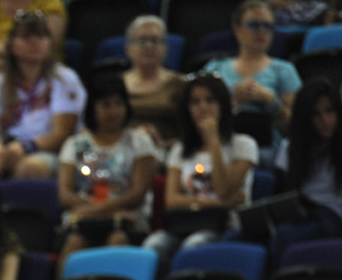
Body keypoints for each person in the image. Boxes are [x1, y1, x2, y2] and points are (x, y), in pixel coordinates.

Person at [144, 72, 259, 262]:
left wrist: (213, 142)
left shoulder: (243, 145)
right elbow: (171, 201)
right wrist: (222, 204)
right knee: (153, 245)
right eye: (195, 102)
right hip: (185, 223)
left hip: (223, 226)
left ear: (223, 105)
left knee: (194, 245)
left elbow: (222, 189)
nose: (203, 107)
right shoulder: (181, 149)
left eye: (210, 100)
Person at [56, 75, 159, 266]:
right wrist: (98, 212)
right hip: (84, 218)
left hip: (127, 217)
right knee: (74, 243)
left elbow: (138, 194)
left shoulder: (139, 142)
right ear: (92, 108)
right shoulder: (74, 145)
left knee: (116, 240)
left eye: (118, 104)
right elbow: (65, 194)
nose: (113, 111)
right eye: (105, 105)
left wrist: (96, 211)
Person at [0, 11, 85, 179]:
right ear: (11, 45)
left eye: (41, 37)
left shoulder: (64, 79)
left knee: (28, 168)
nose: (35, 42)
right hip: (9, 146)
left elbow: (62, 134)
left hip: (48, 150)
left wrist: (25, 147)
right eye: (26, 37)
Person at [205, 0, 302, 151]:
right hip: (222, 143)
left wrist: (272, 102)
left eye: (268, 26)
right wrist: (232, 101)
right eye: (254, 25)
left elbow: (297, 126)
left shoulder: (284, 70)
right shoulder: (216, 67)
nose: (262, 31)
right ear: (237, 30)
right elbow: (200, 115)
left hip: (267, 148)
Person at [272, 78, 342, 260]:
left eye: (330, 111)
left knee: (284, 236)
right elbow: (284, 195)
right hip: (302, 212)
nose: (326, 121)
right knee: (238, 236)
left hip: (334, 214)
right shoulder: (290, 148)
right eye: (316, 115)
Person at [121, 16, 186, 147]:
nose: (149, 46)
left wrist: (160, 143)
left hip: (168, 155)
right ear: (128, 48)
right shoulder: (115, 84)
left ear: (166, 48)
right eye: (141, 41)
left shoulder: (180, 84)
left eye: (155, 41)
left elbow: (191, 134)